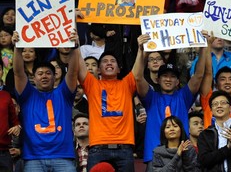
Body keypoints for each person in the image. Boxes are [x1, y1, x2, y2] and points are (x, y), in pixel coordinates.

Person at [135, 33, 206, 170]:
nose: (168, 79)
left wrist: (203, 48)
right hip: (155, 155)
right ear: (157, 80)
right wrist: (141, 50)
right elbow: (137, 77)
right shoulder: (151, 98)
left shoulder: (184, 96)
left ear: (178, 81)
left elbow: (198, 75)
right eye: (164, 76)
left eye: (172, 76)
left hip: (183, 154)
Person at [12, 30, 79, 171]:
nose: (44, 76)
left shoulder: (64, 94)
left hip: (63, 157)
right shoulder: (27, 94)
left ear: (55, 77)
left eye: (48, 73)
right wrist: (17, 48)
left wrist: (75, 48)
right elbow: (18, 72)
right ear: (33, 78)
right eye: (40, 73)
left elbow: (73, 72)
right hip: (33, 158)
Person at [78, 39, 145, 171]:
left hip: (124, 147)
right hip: (98, 147)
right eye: (104, 61)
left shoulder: (127, 84)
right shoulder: (92, 84)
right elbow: (79, 65)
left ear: (119, 69)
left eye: (113, 61)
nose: (109, 63)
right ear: (98, 70)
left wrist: (141, 49)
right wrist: (75, 45)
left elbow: (137, 73)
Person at [198, 33, 231, 128]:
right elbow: (208, 73)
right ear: (216, 84)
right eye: (223, 79)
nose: (227, 82)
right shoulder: (209, 100)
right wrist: (208, 45)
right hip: (212, 142)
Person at [0, 57, 21, 172]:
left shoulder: (6, 95)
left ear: (2, 72)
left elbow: (15, 122)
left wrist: (17, 127)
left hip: (3, 153)